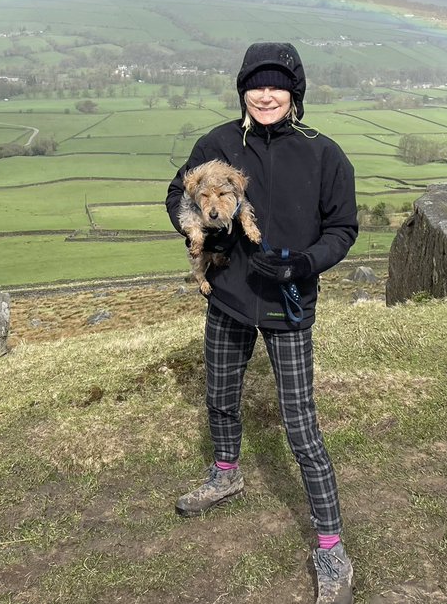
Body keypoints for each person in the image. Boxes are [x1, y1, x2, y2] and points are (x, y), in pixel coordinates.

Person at [165, 41, 359, 604]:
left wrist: (303, 262)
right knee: (220, 394)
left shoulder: (325, 154)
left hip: (288, 303)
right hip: (228, 296)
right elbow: (178, 192)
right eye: (257, 83)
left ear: (294, 92)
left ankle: (330, 548)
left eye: (278, 84)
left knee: (300, 425)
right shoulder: (217, 145)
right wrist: (195, 227)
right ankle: (227, 472)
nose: (267, 93)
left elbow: (342, 229)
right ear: (243, 90)